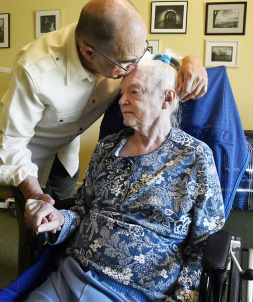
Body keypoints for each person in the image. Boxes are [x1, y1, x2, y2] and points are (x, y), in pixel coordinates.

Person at [0, 0, 209, 275]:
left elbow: (161, 62)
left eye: (139, 55)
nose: (135, 67)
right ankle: (28, 280)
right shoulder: (35, 68)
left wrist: (190, 61)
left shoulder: (123, 48)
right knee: (36, 225)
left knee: (64, 213)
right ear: (88, 53)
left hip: (67, 148)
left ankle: (57, 269)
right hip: (30, 153)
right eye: (126, 64)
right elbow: (12, 142)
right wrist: (34, 195)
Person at [24, 54, 225, 302]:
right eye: (121, 93)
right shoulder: (106, 148)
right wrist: (58, 219)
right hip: (72, 273)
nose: (122, 101)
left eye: (135, 92)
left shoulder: (194, 157)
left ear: (167, 98)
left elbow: (204, 245)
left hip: (135, 292)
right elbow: (83, 210)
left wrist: (183, 298)